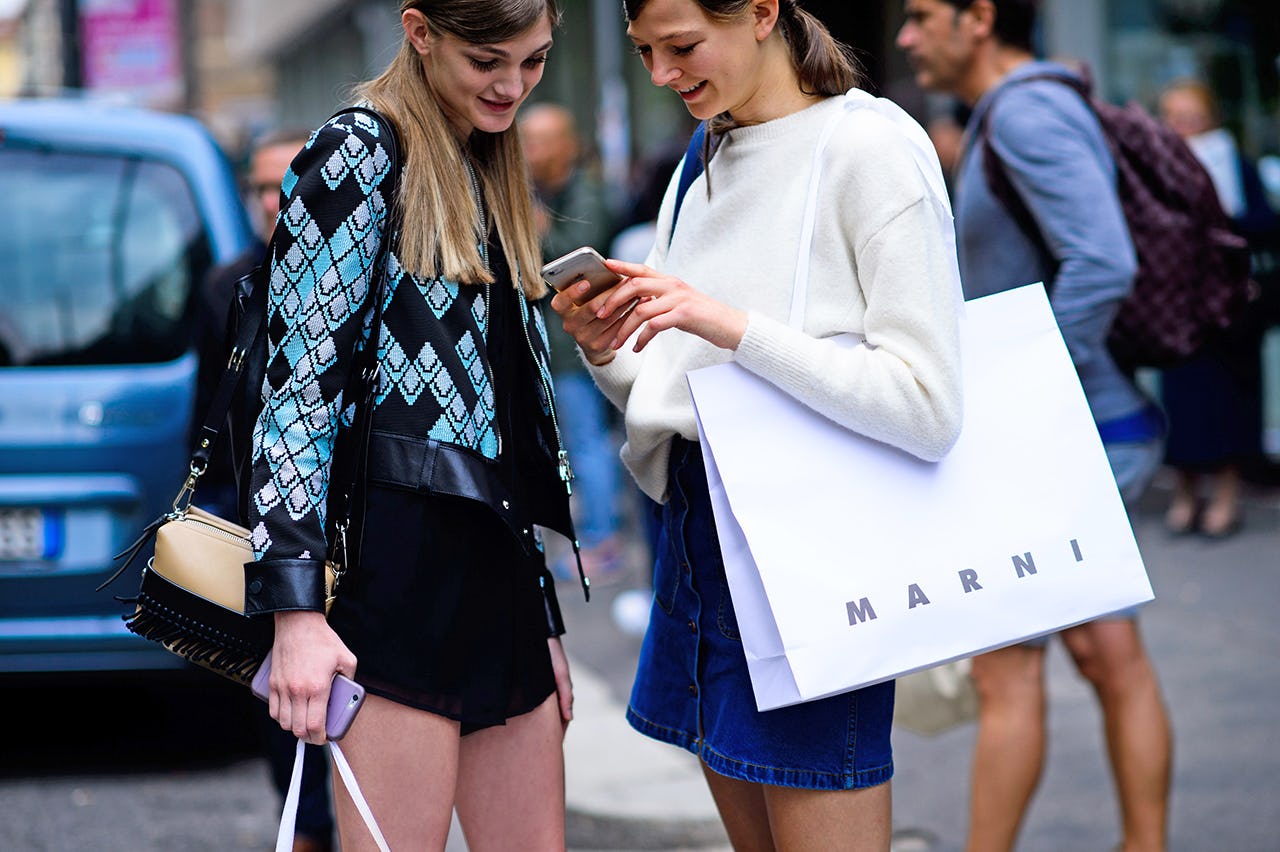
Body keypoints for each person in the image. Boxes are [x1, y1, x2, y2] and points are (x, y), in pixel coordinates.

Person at [553, 1, 964, 848]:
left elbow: (927, 404)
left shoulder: (869, 146)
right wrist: (606, 350)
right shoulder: (705, 154)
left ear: (763, 14)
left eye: (683, 46)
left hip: (806, 543)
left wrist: (731, 325)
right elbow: (678, 391)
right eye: (643, 53)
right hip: (698, 533)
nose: (664, 74)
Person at [244, 3, 581, 850]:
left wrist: (540, 609)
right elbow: (294, 390)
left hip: (495, 574)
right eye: (488, 61)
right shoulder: (357, 151)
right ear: (420, 31)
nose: (512, 85)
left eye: (534, 61)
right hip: (393, 575)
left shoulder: (484, 155)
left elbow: (502, 425)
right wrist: (294, 613)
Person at [896, 2, 1173, 850]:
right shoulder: (1021, 109)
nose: (906, 37)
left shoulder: (1024, 112)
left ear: (978, 18)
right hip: (1084, 422)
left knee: (1008, 668)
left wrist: (1027, 384)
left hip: (1068, 429)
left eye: (919, 16)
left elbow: (1104, 259)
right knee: (1107, 655)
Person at [195, 126, 337, 852]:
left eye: (288, 183)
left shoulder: (356, 277)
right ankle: (306, 829)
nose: (274, 200)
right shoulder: (229, 285)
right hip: (253, 522)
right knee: (277, 693)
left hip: (348, 526)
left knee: (358, 693)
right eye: (260, 186)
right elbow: (208, 415)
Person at [1156, 78, 1278, 538]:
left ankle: (1225, 496)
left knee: (1228, 402)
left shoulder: (1236, 164)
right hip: (1177, 305)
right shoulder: (1156, 165)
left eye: (1192, 117)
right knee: (1184, 403)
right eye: (1175, 116)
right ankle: (1186, 493)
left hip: (1228, 309)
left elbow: (1266, 225)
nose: (1183, 127)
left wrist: (1223, 219)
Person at [518, 102, 625, 578]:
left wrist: (538, 234)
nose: (529, 150)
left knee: (587, 443)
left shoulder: (588, 194)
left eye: (540, 140)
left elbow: (578, 266)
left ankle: (603, 542)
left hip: (578, 349)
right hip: (546, 346)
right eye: (527, 140)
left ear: (568, 144)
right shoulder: (535, 191)